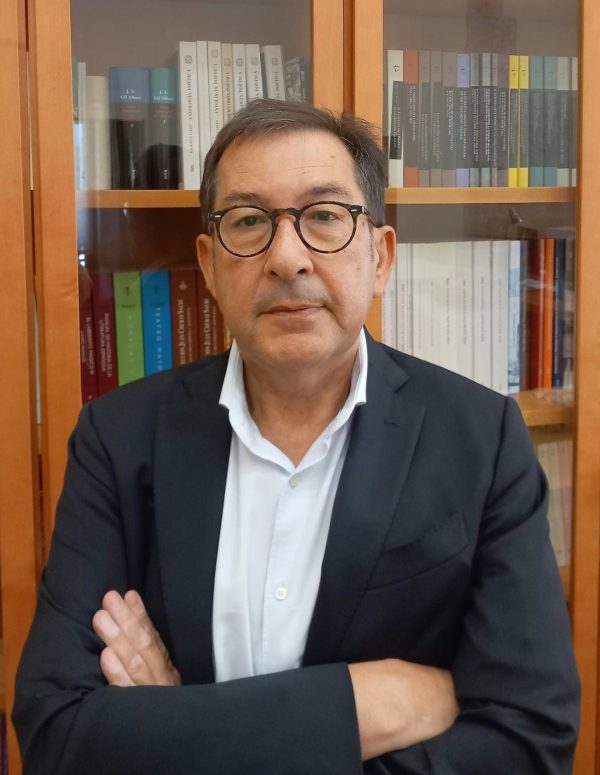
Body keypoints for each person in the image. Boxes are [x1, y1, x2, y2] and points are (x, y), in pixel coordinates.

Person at [14, 99, 579, 774]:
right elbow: (57, 733)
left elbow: (528, 739)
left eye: (325, 216)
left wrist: (177, 720)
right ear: (209, 265)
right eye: (249, 221)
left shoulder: (481, 440)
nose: (287, 257)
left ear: (381, 256)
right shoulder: (118, 438)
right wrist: (366, 703)